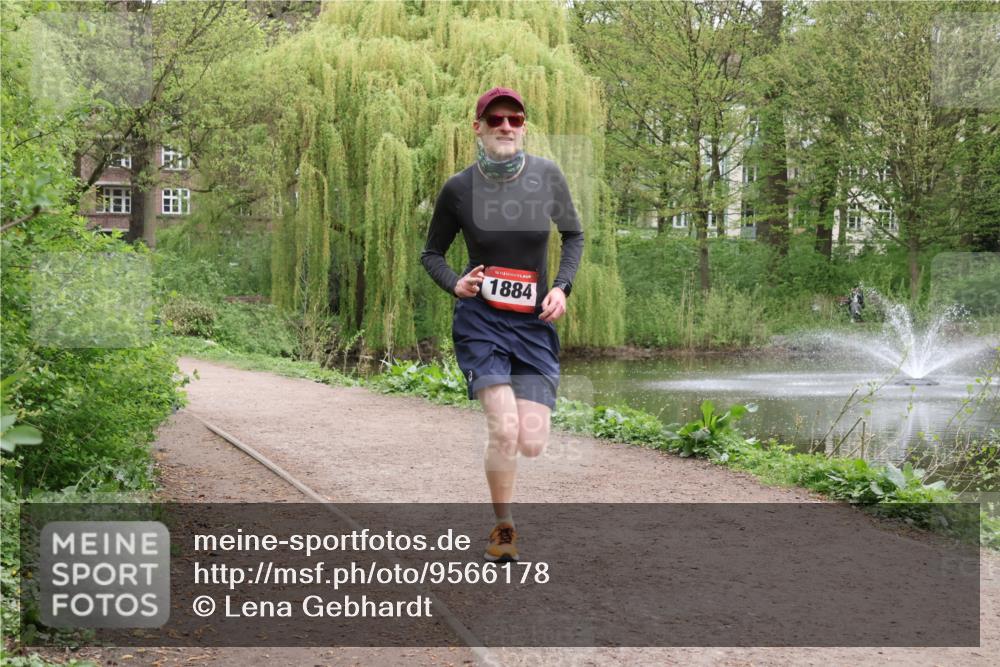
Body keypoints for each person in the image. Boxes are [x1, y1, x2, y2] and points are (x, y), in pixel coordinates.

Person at [420, 87, 584, 562]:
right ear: (478, 128)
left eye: (514, 119)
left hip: (533, 324)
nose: (506, 127)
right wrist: (455, 284)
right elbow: (431, 253)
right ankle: (503, 527)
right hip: (481, 323)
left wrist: (561, 287)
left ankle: (506, 509)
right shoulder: (458, 189)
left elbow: (573, 235)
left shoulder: (547, 176)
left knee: (531, 442)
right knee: (504, 428)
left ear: (524, 126)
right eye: (496, 120)